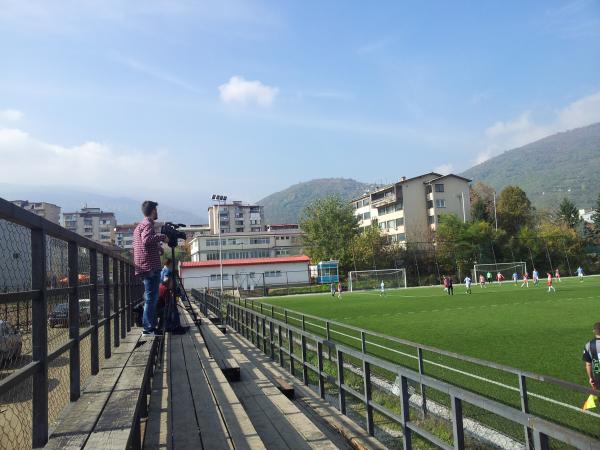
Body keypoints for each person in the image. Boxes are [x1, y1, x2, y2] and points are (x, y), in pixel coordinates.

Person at [134, 201, 167, 336]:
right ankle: (148, 328)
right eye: (156, 209)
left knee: (151, 297)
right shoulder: (148, 224)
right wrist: (163, 237)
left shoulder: (139, 226)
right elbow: (147, 240)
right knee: (151, 298)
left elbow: (143, 243)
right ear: (153, 210)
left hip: (143, 265)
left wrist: (158, 247)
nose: (157, 212)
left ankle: (151, 327)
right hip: (150, 267)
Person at [582, 323, 600, 393]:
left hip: (598, 377)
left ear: (594, 331)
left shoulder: (589, 345)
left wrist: (591, 378)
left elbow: (588, 364)